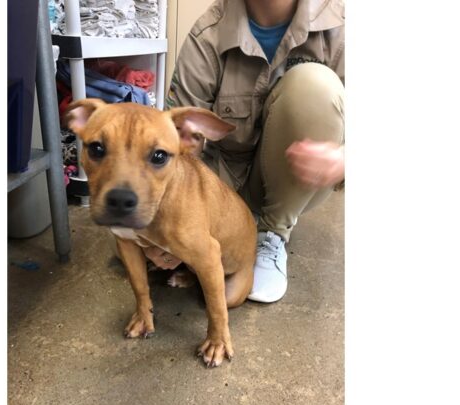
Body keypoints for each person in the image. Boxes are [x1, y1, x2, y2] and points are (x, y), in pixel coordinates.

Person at [145, 0, 345, 303]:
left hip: (299, 182)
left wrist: (344, 160)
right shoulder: (208, 34)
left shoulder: (340, 26)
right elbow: (174, 142)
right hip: (226, 183)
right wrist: (163, 214)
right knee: (135, 236)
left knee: (315, 85)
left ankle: (272, 232)